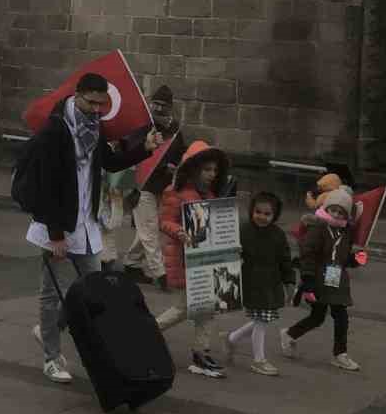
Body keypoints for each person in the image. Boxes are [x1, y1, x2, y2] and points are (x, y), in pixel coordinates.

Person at [19, 72, 157, 383]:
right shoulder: (56, 129)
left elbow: (108, 162)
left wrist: (144, 149)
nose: (96, 109)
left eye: (101, 104)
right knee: (51, 295)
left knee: (91, 290)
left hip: (86, 222)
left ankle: (48, 329)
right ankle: (51, 358)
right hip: (58, 225)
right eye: (91, 102)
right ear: (77, 95)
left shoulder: (94, 126)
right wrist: (56, 236)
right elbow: (46, 184)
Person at [156, 141, 232, 378]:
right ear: (194, 169)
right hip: (186, 260)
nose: (212, 175)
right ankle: (144, 332)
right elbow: (165, 221)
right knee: (185, 308)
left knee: (206, 308)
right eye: (207, 170)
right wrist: (179, 232)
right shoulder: (175, 192)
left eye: (214, 171)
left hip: (204, 261)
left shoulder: (208, 194)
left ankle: (201, 354)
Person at [282, 185, 365, 371]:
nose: (336, 215)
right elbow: (308, 255)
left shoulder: (346, 233)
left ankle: (340, 353)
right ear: (326, 208)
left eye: (341, 212)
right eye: (333, 210)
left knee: (341, 316)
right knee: (318, 317)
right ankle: (289, 333)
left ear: (347, 216)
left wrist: (356, 259)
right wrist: (308, 280)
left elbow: (343, 258)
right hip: (319, 279)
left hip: (337, 280)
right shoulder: (318, 229)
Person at [225, 192, 296, 377]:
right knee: (261, 321)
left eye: (267, 214)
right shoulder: (243, 230)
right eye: (258, 212)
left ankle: (232, 338)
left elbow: (285, 260)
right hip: (251, 282)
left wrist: (289, 282)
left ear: (275, 215)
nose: (262, 217)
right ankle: (259, 360)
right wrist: (234, 255)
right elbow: (229, 253)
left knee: (262, 319)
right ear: (251, 211)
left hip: (271, 283)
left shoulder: (278, 235)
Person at [121, 85, 179, 289]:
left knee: (147, 228)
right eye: (156, 104)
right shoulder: (143, 126)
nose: (159, 109)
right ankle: (160, 274)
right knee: (150, 229)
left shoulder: (175, 129)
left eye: (164, 105)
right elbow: (133, 152)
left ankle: (132, 264)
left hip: (161, 186)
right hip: (141, 184)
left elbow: (179, 152)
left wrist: (173, 165)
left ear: (170, 107)